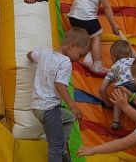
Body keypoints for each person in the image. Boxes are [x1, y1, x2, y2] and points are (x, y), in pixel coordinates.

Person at [28, 27, 90, 162]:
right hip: (49, 108)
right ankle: (60, 149)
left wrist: (30, 55)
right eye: (80, 55)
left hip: (36, 107)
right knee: (54, 147)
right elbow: (59, 85)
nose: (79, 59)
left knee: (69, 118)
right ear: (72, 45)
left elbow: (31, 54)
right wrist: (73, 106)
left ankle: (62, 148)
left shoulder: (45, 53)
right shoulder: (65, 61)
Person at [68, 0, 120, 74]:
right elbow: (107, 8)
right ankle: (97, 65)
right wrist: (113, 26)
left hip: (73, 16)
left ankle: (87, 58)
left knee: (86, 35)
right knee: (96, 37)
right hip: (86, 18)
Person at [99, 39, 136, 131]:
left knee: (118, 96)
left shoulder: (114, 67)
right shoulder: (134, 61)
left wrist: (107, 103)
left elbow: (102, 89)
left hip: (123, 88)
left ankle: (116, 122)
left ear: (113, 58)